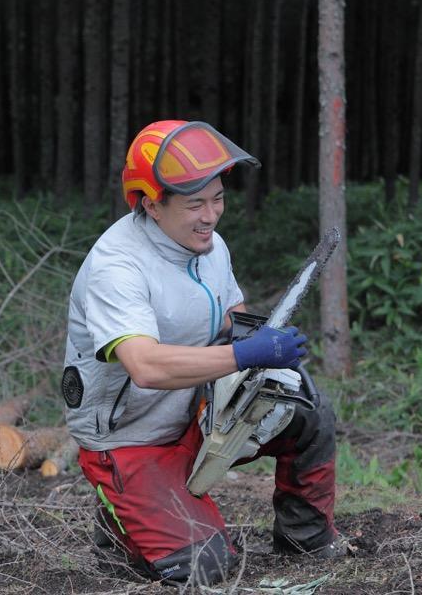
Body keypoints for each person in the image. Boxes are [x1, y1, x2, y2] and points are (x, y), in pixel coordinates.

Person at [61, 120, 343, 585]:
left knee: (306, 407)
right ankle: (121, 526)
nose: (210, 215)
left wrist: (259, 344)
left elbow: (228, 312)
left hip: (194, 406)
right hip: (131, 439)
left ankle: (304, 540)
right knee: (204, 567)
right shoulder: (116, 268)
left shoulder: (209, 246)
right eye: (195, 204)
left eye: (218, 199)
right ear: (152, 204)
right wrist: (246, 356)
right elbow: (145, 365)